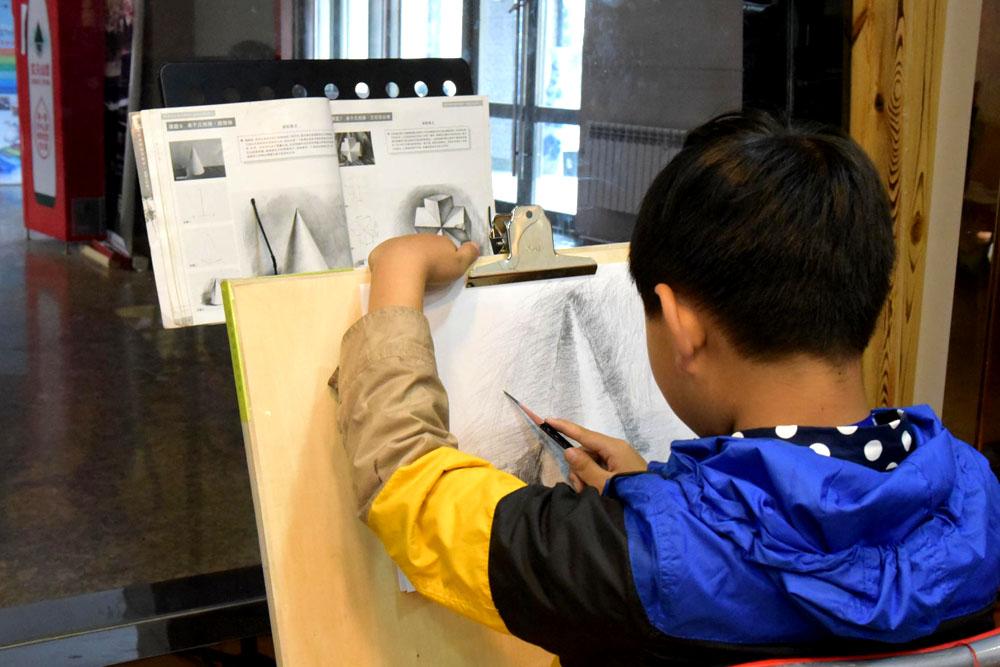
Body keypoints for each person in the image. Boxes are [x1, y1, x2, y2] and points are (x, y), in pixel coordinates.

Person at [331, 111, 1000, 666]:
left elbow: (411, 487)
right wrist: (653, 493)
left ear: (681, 327)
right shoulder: (977, 495)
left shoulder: (628, 564)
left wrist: (397, 277)